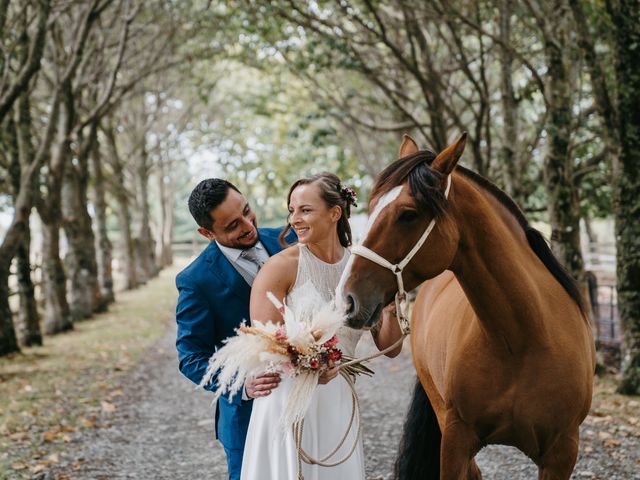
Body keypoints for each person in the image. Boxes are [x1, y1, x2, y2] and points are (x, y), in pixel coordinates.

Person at [241, 172, 403, 480]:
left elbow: (389, 347)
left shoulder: (361, 270)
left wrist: (393, 305)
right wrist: (309, 363)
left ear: (335, 212)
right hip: (289, 403)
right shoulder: (280, 268)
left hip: (339, 398)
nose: (295, 219)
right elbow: (263, 347)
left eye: (305, 210)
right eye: (292, 210)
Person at [175, 179, 288, 480]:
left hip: (305, 402)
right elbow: (190, 357)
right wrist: (243, 383)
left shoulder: (286, 240)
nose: (248, 225)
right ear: (207, 233)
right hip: (246, 417)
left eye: (247, 211)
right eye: (232, 226)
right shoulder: (195, 281)